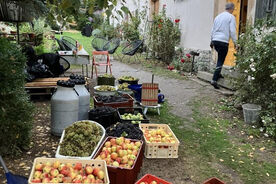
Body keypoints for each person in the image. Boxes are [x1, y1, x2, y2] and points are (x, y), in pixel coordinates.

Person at [210, 2, 237, 89]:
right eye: (233, 9)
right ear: (232, 9)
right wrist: (236, 42)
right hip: (223, 41)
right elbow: (232, 31)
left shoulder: (218, 17)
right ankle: (214, 79)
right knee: (221, 60)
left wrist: (211, 41)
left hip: (215, 40)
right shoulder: (231, 17)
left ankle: (219, 73)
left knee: (220, 58)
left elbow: (212, 30)